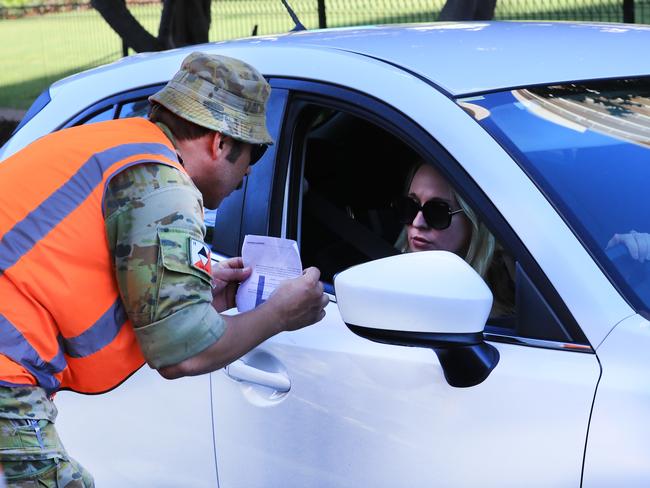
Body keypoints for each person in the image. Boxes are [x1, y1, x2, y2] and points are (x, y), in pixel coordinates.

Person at [0, 52, 328, 486]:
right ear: (221, 143)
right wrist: (279, 315)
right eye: (255, 153)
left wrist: (202, 294)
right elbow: (183, 355)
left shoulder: (116, 147)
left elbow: (65, 269)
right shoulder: (161, 182)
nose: (249, 173)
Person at [393, 162, 514, 316]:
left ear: (474, 219)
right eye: (410, 206)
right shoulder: (386, 283)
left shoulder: (510, 295)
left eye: (437, 211)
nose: (417, 223)